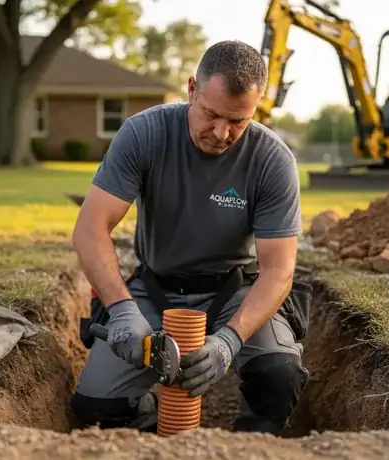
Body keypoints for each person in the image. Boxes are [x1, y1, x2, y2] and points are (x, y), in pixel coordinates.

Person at [69, 39, 309, 435]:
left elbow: (279, 270)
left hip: (234, 290)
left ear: (257, 108)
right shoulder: (144, 134)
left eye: (238, 121)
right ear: (192, 89)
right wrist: (124, 312)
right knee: (97, 407)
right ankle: (147, 416)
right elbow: (90, 230)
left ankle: (251, 445)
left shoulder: (272, 160)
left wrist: (229, 341)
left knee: (279, 377)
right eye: (211, 114)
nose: (221, 132)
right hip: (154, 288)